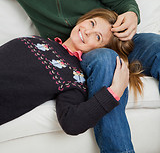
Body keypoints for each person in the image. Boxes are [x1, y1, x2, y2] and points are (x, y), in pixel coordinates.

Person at [0, 0, 159, 152]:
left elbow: (123, 1)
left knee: (156, 45)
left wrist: (131, 14)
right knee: (106, 60)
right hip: (78, 56)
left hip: (111, 37)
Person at [0, 8, 135, 132]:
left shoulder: (74, 76)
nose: (88, 31)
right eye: (92, 23)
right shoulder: (38, 40)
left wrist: (114, 93)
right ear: (83, 19)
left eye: (97, 37)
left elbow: (72, 123)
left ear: (100, 50)